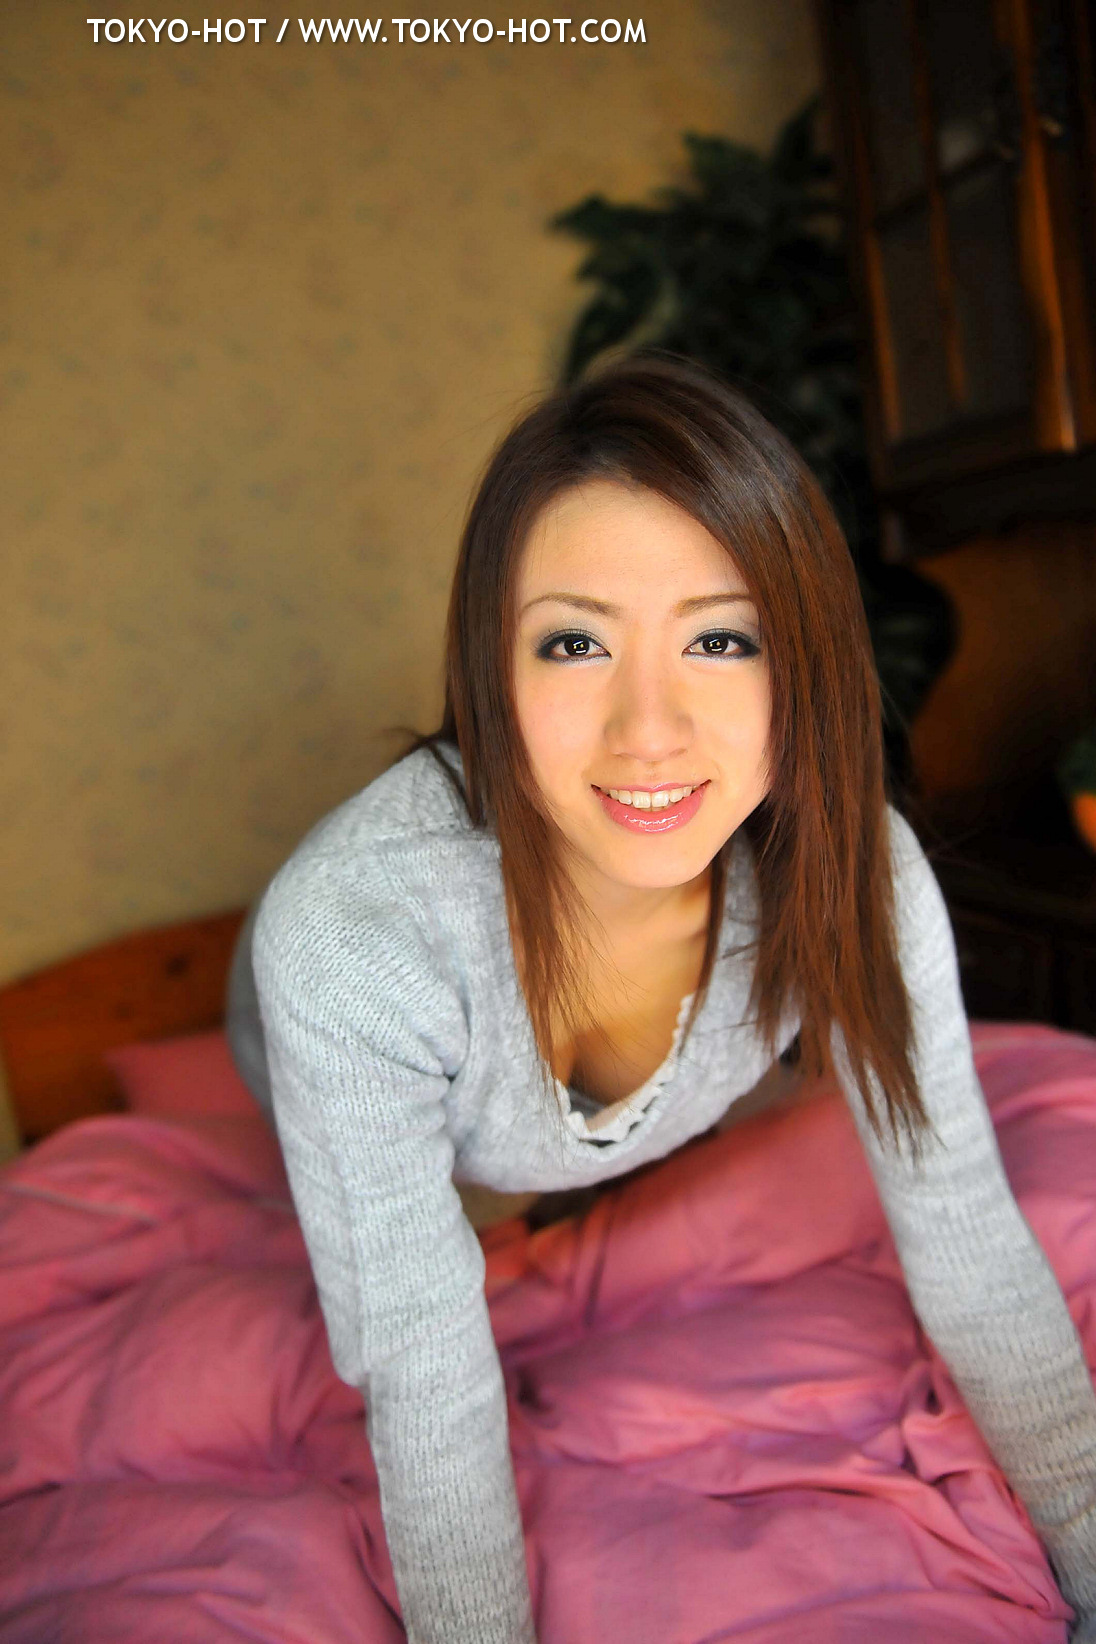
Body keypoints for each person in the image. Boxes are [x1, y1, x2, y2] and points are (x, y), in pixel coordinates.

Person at [226, 354, 1096, 1644]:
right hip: (323, 1048)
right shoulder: (355, 945)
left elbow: (964, 1225)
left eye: (721, 639)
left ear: (801, 666)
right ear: (492, 672)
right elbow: (424, 1369)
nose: (649, 729)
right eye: (575, 642)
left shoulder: (855, 873)